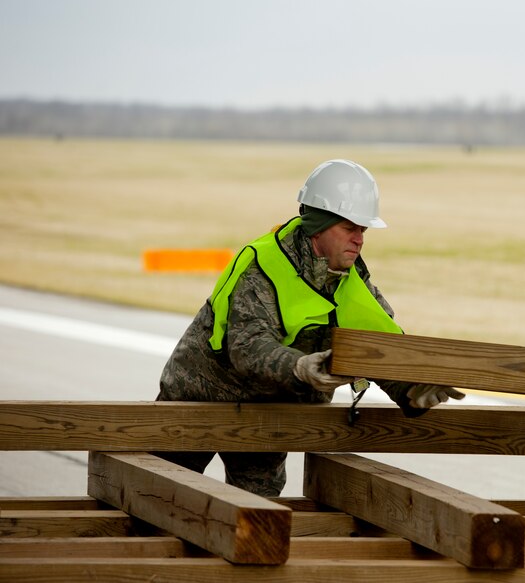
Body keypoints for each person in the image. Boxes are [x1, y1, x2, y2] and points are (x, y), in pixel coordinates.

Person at [154, 159, 464, 496]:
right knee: (160, 496)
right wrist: (299, 367)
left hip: (268, 415)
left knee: (257, 517)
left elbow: (377, 343)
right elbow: (249, 347)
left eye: (364, 230)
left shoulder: (351, 281)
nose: (360, 239)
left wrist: (410, 390)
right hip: (199, 399)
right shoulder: (264, 266)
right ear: (319, 225)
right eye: (350, 228)